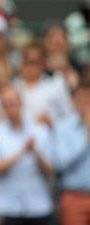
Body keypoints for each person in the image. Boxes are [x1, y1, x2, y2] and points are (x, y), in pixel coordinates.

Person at [0, 86, 54, 225]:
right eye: (6, 105)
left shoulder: (40, 130)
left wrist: (35, 152)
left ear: (21, 103)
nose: (10, 108)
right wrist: (22, 152)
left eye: (13, 103)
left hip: (39, 207)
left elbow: (50, 172)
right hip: (7, 207)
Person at [54, 80, 90, 225]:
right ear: (74, 101)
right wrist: (86, 134)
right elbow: (61, 163)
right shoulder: (63, 127)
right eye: (82, 98)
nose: (87, 103)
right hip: (74, 197)